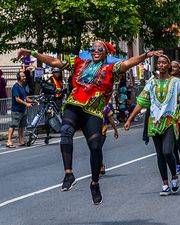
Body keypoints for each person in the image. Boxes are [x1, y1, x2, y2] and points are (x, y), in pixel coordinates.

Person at [17, 42, 163, 205]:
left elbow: (128, 63)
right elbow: (54, 62)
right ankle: (68, 174)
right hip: (74, 105)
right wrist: (31, 52)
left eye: (99, 49)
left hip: (93, 111)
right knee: (65, 131)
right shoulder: (79, 63)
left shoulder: (110, 69)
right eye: (92, 49)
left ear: (105, 52)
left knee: (95, 147)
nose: (95, 51)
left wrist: (145, 56)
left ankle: (94, 183)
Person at [124, 55, 180, 196]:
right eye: (159, 63)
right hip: (154, 122)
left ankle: (174, 177)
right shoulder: (151, 83)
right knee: (159, 154)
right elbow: (141, 102)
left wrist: (177, 105)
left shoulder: (176, 82)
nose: (161, 65)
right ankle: (165, 184)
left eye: (164, 62)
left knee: (167, 151)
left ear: (168, 65)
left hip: (169, 121)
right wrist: (130, 119)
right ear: (157, 66)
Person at [7, 72, 36, 148]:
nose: (24, 77)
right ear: (18, 77)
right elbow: (17, 99)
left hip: (23, 110)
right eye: (23, 76)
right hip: (16, 110)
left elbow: (25, 97)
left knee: (21, 126)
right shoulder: (15, 87)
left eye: (24, 76)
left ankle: (20, 140)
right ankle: (9, 141)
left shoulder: (22, 86)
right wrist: (26, 104)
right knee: (13, 125)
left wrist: (33, 101)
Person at [99, 104, 119, 177]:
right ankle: (101, 164)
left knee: (97, 148)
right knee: (94, 149)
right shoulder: (90, 105)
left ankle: (100, 167)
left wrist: (115, 130)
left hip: (102, 131)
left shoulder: (106, 107)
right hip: (92, 131)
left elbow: (110, 119)